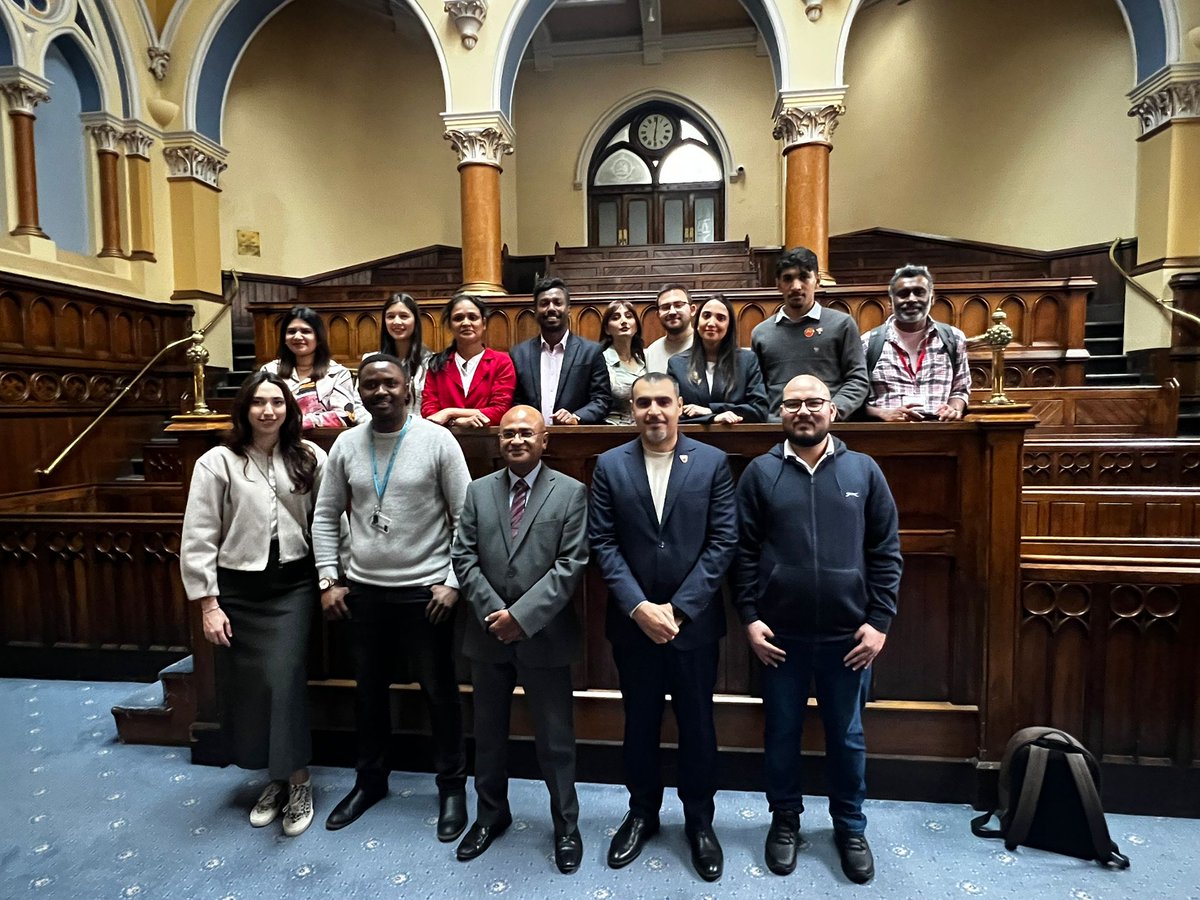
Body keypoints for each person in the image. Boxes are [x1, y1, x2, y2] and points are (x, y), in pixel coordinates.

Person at [734, 374, 903, 885]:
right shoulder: (761, 473)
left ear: (833, 410)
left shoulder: (864, 470)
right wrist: (750, 617)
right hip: (778, 638)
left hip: (848, 640)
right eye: (792, 404)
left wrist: (879, 623)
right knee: (781, 734)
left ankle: (850, 827)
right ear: (779, 412)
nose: (803, 411)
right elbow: (742, 553)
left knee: (848, 738)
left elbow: (885, 553)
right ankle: (784, 821)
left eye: (813, 403)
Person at [312, 354, 470, 840]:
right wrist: (327, 578)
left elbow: (466, 517)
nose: (380, 392)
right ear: (359, 390)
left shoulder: (437, 440)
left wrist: (452, 581)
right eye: (371, 384)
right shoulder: (345, 444)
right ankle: (370, 781)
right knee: (368, 694)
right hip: (363, 592)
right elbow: (324, 515)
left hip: (425, 594)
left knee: (439, 693)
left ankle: (451, 787)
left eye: (390, 384)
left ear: (408, 389)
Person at [588, 372, 738, 883]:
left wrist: (677, 609)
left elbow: (723, 542)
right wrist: (639, 607)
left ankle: (699, 822)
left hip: (692, 626)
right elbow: (602, 544)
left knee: (698, 726)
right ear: (632, 409)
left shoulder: (713, 463)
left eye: (664, 402)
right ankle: (642, 814)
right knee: (640, 724)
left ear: (680, 406)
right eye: (644, 402)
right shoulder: (609, 465)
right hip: (633, 626)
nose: (655, 411)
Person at [180, 370, 325, 837]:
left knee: (283, 680)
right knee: (253, 689)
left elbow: (328, 520)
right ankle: (275, 779)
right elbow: (199, 536)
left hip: (293, 587)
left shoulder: (309, 457)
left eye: (277, 403)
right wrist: (207, 604)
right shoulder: (217, 462)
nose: (268, 410)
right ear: (244, 409)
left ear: (289, 409)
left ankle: (299, 779)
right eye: (259, 402)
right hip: (239, 591)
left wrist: (329, 577)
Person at [451, 405, 589, 873]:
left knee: (555, 739)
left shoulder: (570, 493)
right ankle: (491, 815)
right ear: (498, 440)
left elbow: (570, 566)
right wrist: (497, 614)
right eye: (508, 434)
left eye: (526, 433)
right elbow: (463, 557)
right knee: (487, 736)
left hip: (545, 635)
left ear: (544, 439)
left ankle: (566, 825)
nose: (516, 441)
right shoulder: (477, 492)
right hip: (487, 634)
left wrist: (522, 617)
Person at [750, 248, 869, 419]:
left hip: (829, 427)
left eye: (804, 277)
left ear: (817, 280)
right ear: (778, 284)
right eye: (788, 279)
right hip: (777, 427)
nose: (796, 286)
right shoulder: (761, 333)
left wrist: (833, 411)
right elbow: (756, 388)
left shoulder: (842, 324)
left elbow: (857, 380)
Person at [860, 265, 970, 422]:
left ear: (932, 299)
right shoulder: (868, 343)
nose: (911, 299)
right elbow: (856, 399)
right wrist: (883, 414)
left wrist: (954, 409)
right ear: (891, 302)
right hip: (886, 434)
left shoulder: (954, 338)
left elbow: (960, 389)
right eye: (903, 294)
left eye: (919, 292)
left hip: (941, 434)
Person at [510, 276, 611, 425]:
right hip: (530, 437)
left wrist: (576, 417)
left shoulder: (591, 351)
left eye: (558, 303)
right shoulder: (519, 354)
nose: (551, 308)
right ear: (535, 311)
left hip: (573, 439)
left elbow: (602, 399)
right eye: (544, 303)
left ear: (568, 310)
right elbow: (515, 400)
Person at [667, 294, 769, 424]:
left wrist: (711, 410)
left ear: (729, 326)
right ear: (697, 322)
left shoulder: (747, 361)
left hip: (737, 439)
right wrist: (713, 418)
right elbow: (670, 413)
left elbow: (760, 411)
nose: (711, 323)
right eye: (706, 316)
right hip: (691, 439)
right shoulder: (677, 364)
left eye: (720, 318)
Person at [261, 304, 364, 428]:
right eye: (291, 331)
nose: (297, 337)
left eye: (306, 331)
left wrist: (298, 422)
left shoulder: (338, 374)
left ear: (318, 337)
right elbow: (260, 410)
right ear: (284, 338)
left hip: (325, 442)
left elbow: (345, 416)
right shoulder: (269, 371)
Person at [421, 294, 516, 427]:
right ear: (450, 325)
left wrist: (449, 412)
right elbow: (429, 411)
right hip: (445, 440)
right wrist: (456, 422)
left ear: (484, 324)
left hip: (488, 441)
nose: (466, 323)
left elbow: (500, 411)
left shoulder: (502, 362)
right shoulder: (437, 364)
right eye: (458, 318)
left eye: (473, 317)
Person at [361, 292, 432, 420]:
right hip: (378, 430)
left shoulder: (431, 363)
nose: (397, 322)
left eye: (404, 316)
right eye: (390, 316)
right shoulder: (370, 361)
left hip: (418, 432)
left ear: (415, 320)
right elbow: (358, 405)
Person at [598, 299, 648, 425]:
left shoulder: (645, 358)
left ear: (636, 326)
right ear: (607, 329)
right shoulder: (600, 360)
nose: (623, 321)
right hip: (612, 429)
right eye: (615, 318)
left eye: (629, 316)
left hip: (644, 427)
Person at [643, 283, 695, 373]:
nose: (672, 312)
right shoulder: (651, 353)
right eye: (665, 307)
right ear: (658, 315)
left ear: (692, 310)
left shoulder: (707, 345)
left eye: (678, 305)